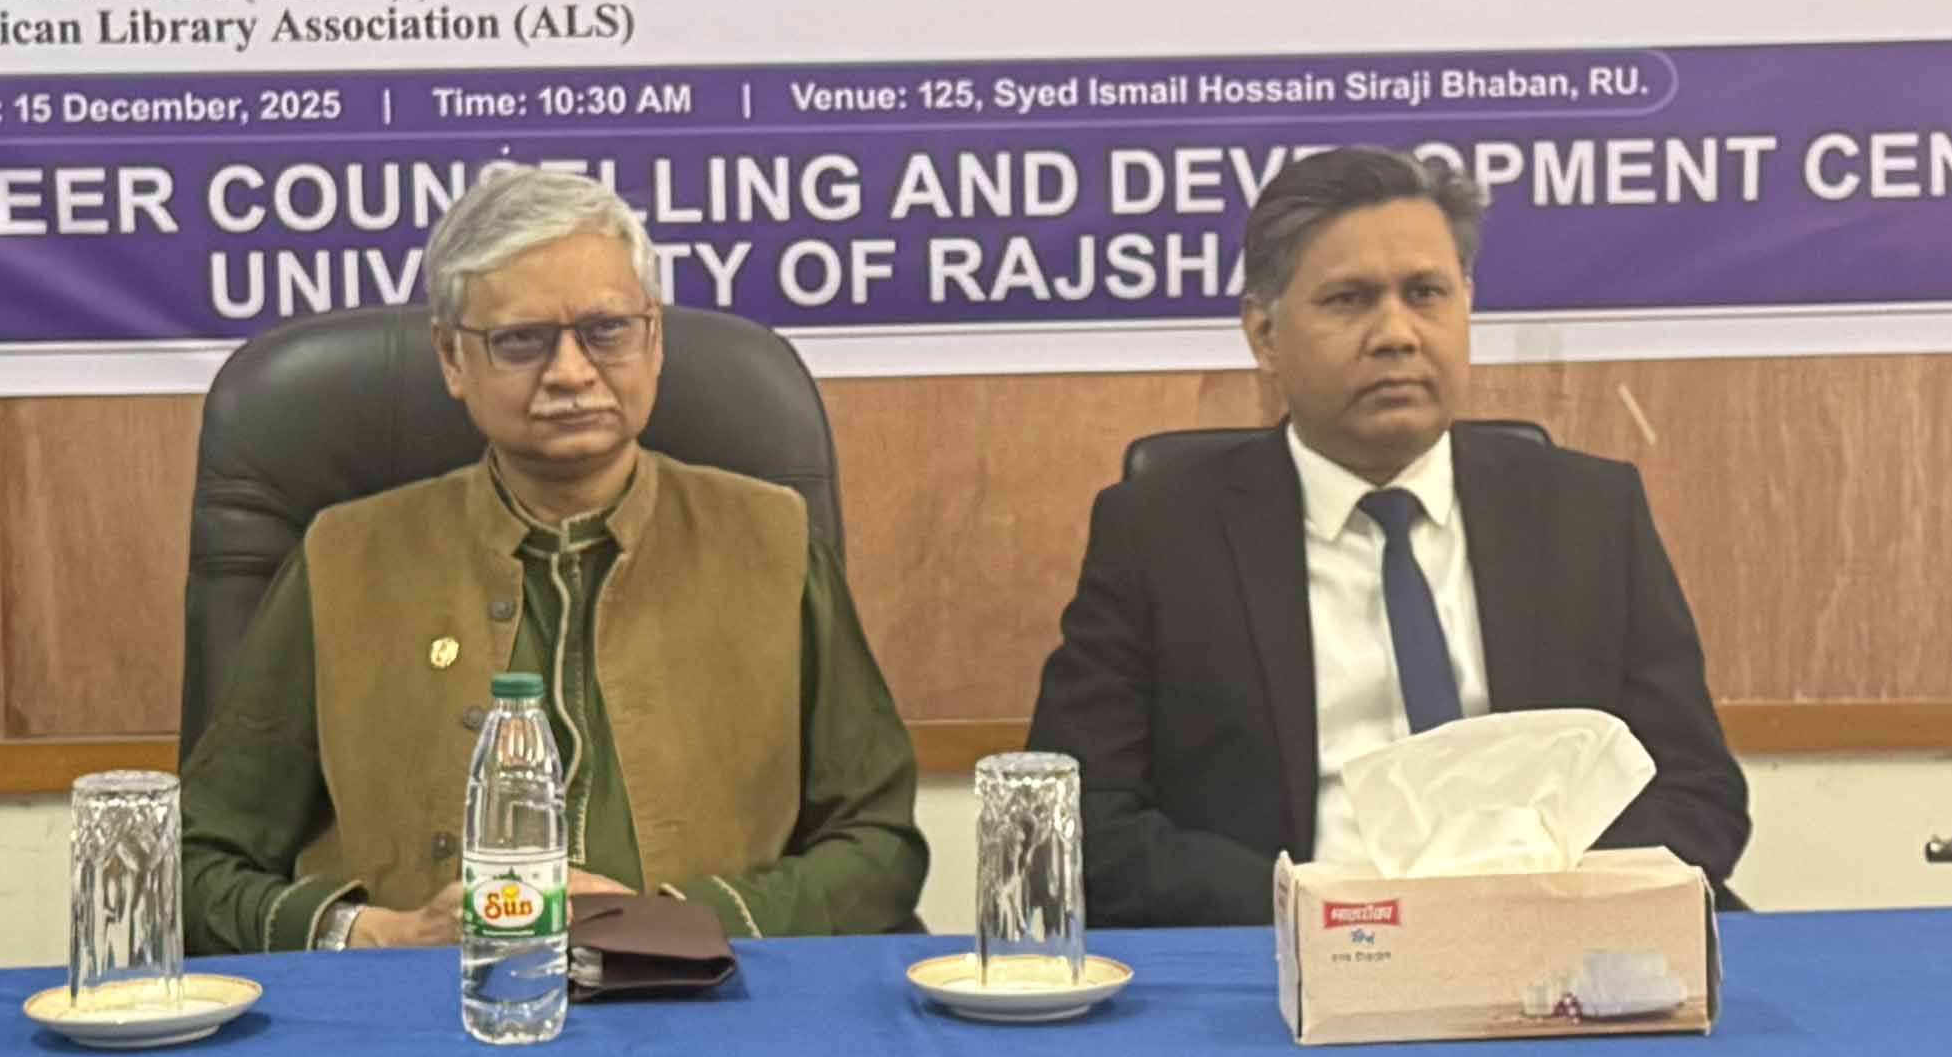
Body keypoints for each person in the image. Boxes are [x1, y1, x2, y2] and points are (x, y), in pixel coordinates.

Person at [184, 169, 924, 951]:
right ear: (451, 358)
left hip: (709, 999)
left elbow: (879, 848)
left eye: (607, 330)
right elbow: (197, 863)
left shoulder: (771, 541)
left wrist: (679, 923)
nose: (571, 372)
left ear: (654, 339)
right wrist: (377, 934)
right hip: (420, 1005)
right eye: (521, 341)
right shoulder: (345, 559)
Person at [1029, 147, 1747, 921]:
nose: (1397, 334)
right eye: (1349, 300)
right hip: (1281, 948)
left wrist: (1540, 904)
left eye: (1426, 293)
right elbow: (1078, 822)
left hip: (1549, 941)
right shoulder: (1161, 533)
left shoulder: (1587, 514)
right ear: (1265, 335)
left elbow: (1696, 792)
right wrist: (1318, 909)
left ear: (1467, 305)